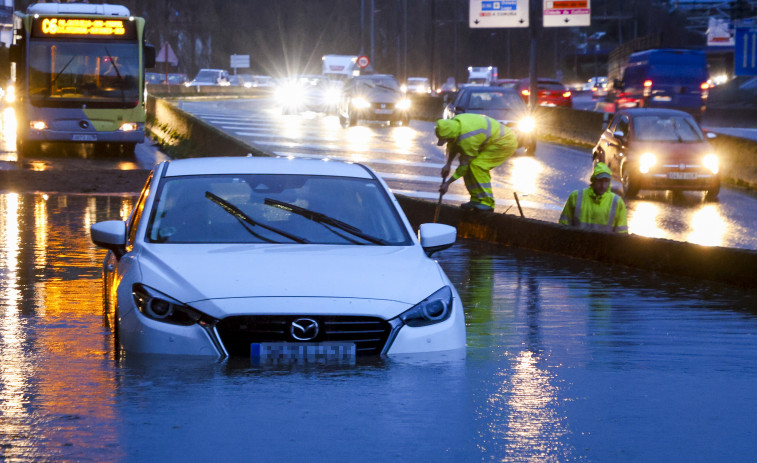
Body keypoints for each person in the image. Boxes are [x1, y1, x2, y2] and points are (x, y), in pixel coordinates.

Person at [436, 113, 519, 212]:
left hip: (504, 142)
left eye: (446, 139)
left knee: (477, 166)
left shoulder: (467, 138)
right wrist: (448, 164)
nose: (447, 141)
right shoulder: (453, 123)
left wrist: (447, 183)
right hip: (494, 140)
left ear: (451, 135)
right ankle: (476, 199)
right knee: (471, 167)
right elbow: (453, 145)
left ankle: (488, 202)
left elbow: (464, 166)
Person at [559, 162, 628, 233]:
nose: (603, 186)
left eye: (606, 181)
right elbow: (564, 225)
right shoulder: (575, 197)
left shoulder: (617, 203)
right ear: (593, 180)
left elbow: (622, 234)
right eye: (600, 181)